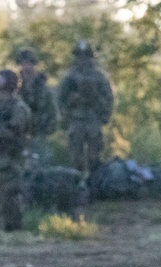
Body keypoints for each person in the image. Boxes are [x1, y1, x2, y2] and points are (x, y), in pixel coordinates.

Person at [0, 69, 31, 231]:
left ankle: (14, 229)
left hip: (10, 160)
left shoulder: (19, 108)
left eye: (2, 91)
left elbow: (15, 133)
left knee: (10, 197)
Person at [56, 40, 114, 175]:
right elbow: (60, 99)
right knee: (75, 158)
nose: (82, 59)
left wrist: (104, 115)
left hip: (94, 119)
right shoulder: (69, 77)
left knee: (95, 157)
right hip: (75, 120)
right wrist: (65, 117)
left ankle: (95, 186)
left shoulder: (99, 77)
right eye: (79, 56)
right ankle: (77, 187)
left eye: (86, 56)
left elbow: (109, 98)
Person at [14, 48, 58, 165]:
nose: (26, 67)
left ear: (34, 65)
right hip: (19, 137)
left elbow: (52, 112)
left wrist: (46, 129)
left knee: (41, 167)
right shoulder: (15, 88)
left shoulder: (44, 89)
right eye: (23, 64)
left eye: (28, 63)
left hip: (39, 135)